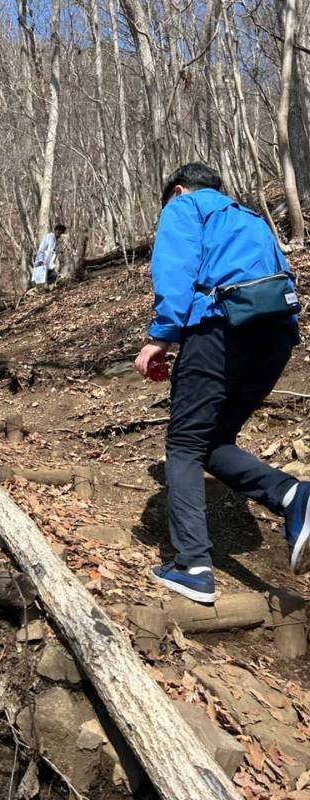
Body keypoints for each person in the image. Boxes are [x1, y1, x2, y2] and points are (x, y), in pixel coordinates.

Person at [134, 162, 308, 604]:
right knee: (213, 441)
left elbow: (174, 272)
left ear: (177, 190)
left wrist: (160, 338)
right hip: (276, 336)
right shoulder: (250, 218)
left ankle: (192, 565)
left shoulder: (185, 208)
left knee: (184, 444)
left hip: (220, 331)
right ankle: (293, 496)